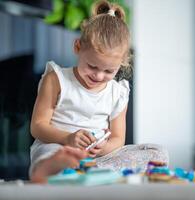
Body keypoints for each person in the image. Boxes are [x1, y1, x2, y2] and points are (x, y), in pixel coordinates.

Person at [29, 0, 168, 181]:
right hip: (58, 146)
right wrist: (68, 139)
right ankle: (58, 167)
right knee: (50, 153)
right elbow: (37, 126)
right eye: (92, 66)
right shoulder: (57, 79)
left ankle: (90, 169)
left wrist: (103, 148)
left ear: (122, 63)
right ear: (78, 47)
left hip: (99, 157)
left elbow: (118, 138)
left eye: (109, 71)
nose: (99, 76)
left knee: (158, 153)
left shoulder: (118, 92)